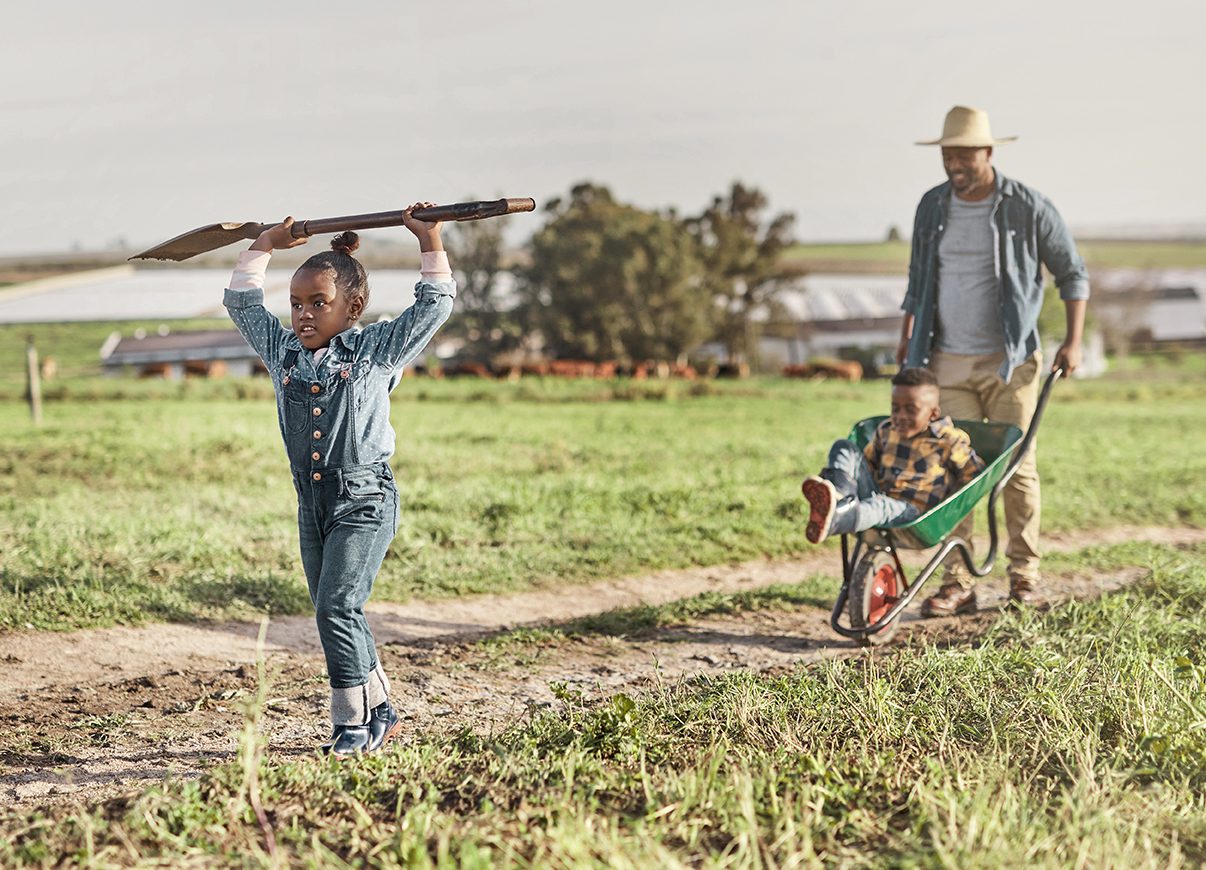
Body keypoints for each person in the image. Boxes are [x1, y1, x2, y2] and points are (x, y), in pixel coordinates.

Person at [223, 204, 455, 756]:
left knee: (336, 608)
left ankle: (351, 727)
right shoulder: (282, 353)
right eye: (297, 304)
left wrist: (430, 240)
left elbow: (435, 304)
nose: (303, 315)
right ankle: (384, 712)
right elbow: (240, 302)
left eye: (318, 304)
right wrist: (264, 243)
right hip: (312, 503)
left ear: (352, 307)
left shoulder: (375, 351)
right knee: (336, 610)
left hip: (365, 498)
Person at [897, 106, 1089, 616]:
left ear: (988, 152)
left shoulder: (1027, 206)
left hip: (1012, 362)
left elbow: (1073, 274)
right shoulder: (931, 207)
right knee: (953, 469)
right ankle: (957, 581)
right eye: (947, 153)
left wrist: (1073, 341)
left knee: (1015, 467)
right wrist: (908, 342)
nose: (954, 162)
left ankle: (1024, 577)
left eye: (963, 153)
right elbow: (917, 284)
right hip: (946, 361)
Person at [801, 368, 985, 544]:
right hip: (878, 496)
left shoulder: (948, 439)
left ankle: (836, 519)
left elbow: (974, 474)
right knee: (844, 446)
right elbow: (866, 464)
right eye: (895, 408)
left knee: (881, 506)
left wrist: (948, 504)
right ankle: (838, 498)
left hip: (913, 511)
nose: (900, 416)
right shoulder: (886, 430)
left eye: (911, 410)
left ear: (933, 413)